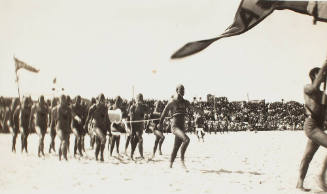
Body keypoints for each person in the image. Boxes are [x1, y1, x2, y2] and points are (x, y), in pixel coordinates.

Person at [296, 58, 327, 191]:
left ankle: (299, 184)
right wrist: (324, 65)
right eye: (322, 74)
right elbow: (315, 86)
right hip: (311, 125)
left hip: (318, 126)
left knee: (307, 156)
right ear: (315, 75)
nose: (324, 76)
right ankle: (321, 176)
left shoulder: (323, 94)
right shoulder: (308, 88)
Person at [158, 84, 191, 169]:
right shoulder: (172, 101)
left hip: (182, 126)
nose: (183, 91)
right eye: (181, 89)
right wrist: (160, 123)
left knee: (176, 147)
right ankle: (182, 161)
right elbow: (164, 113)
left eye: (183, 90)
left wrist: (201, 112)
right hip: (175, 126)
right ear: (176, 90)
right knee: (186, 140)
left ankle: (170, 165)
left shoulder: (186, 102)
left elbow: (194, 108)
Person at [85, 94, 111, 161]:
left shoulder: (105, 108)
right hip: (96, 127)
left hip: (104, 127)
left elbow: (107, 119)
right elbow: (88, 118)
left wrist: (110, 130)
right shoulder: (93, 108)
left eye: (103, 100)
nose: (102, 101)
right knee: (103, 139)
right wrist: (85, 127)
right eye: (101, 100)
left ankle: (97, 155)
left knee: (98, 144)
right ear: (98, 100)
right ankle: (101, 155)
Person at [129, 93, 149, 160]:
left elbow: (148, 112)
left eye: (141, 98)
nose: (140, 100)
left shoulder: (143, 107)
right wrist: (132, 130)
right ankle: (140, 155)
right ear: (136, 99)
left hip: (141, 127)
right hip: (135, 126)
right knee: (140, 139)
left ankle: (133, 154)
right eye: (139, 98)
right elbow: (131, 119)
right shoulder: (133, 107)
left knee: (136, 140)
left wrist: (146, 106)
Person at [53, 95, 72, 161]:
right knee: (63, 141)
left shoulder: (69, 109)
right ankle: (64, 156)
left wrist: (70, 127)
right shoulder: (56, 108)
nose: (63, 101)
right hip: (59, 128)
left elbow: (70, 118)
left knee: (64, 142)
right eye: (62, 99)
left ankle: (60, 157)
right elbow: (54, 120)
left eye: (64, 99)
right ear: (60, 100)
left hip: (66, 128)